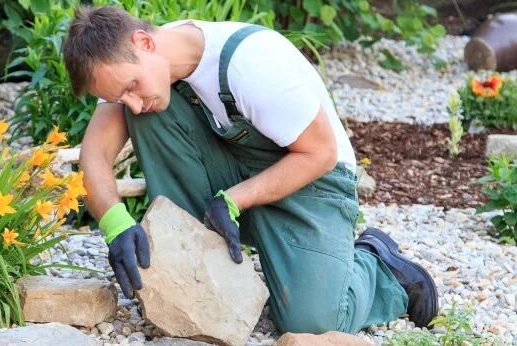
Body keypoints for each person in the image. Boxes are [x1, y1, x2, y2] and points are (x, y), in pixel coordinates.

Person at [62, 4, 439, 335]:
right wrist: (115, 223)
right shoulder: (135, 71)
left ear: (144, 43)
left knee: (313, 322)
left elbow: (320, 154)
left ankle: (378, 267)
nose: (131, 102)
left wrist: (234, 200)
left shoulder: (251, 65)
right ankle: (199, 264)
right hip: (235, 178)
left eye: (131, 86)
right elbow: (95, 153)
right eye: (118, 97)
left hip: (312, 182)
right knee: (147, 113)